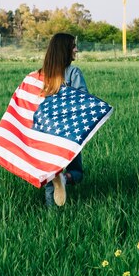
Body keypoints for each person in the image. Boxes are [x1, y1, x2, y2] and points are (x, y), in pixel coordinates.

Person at [39, 33, 87, 207]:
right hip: (69, 132)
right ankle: (65, 178)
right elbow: (83, 102)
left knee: (50, 171)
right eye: (73, 46)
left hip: (45, 132)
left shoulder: (41, 75)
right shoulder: (73, 73)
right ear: (64, 50)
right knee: (77, 172)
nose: (76, 49)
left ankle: (51, 215)